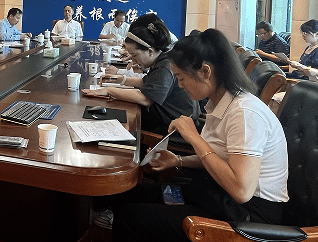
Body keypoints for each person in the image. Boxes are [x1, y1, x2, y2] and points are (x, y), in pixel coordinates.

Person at [108, 28, 288, 241]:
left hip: (247, 216)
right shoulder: (219, 102)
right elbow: (222, 157)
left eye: (181, 78)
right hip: (217, 192)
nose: (180, 85)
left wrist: (194, 138)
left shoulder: (245, 113)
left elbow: (241, 191)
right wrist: (178, 160)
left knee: (130, 217)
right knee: (127, 196)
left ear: (205, 71)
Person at [83, 18, 199, 134]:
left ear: (149, 51)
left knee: (117, 123)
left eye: (134, 55)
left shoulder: (165, 67)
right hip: (164, 118)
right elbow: (146, 82)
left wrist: (109, 90)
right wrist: (121, 80)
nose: (133, 60)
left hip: (174, 128)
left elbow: (145, 99)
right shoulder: (161, 59)